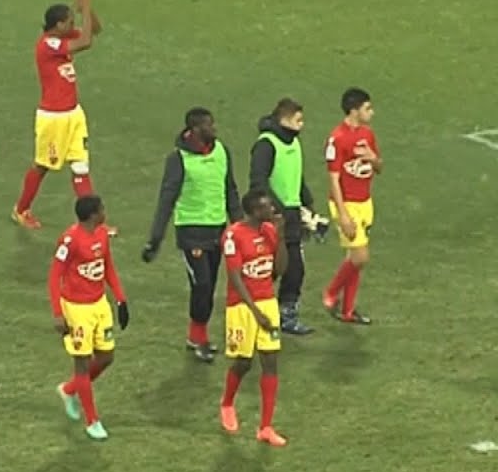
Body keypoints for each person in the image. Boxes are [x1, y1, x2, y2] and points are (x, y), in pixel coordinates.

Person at [143, 107, 241, 362]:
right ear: (194, 130)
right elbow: (167, 199)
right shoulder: (178, 160)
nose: (215, 128)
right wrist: (155, 239)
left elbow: (230, 190)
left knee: (208, 287)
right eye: (209, 125)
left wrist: (241, 227)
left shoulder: (222, 151)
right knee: (202, 284)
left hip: (217, 229)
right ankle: (198, 338)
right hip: (192, 233)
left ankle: (197, 336)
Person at [11, 0, 105, 231]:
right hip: (53, 117)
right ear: (58, 25)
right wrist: (83, 8)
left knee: (81, 165)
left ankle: (92, 221)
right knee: (42, 166)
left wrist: (87, 7)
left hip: (74, 114)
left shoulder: (62, 36)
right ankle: (21, 210)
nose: (73, 25)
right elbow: (84, 42)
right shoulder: (47, 45)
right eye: (69, 22)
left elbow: (94, 32)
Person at [50, 195, 128, 440]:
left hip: (99, 305)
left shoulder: (102, 235)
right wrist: (58, 313)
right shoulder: (70, 240)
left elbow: (108, 267)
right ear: (93, 214)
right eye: (102, 209)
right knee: (82, 363)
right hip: (76, 309)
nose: (105, 212)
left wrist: (120, 298)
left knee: (106, 357)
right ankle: (92, 420)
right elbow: (54, 277)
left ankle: (69, 390)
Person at [249, 97, 325, 335]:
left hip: (290, 215)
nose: (302, 125)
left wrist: (308, 202)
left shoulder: (293, 143)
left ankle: (285, 314)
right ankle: (251, 309)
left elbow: (296, 176)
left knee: (294, 268)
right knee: (267, 268)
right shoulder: (266, 145)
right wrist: (277, 210)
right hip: (271, 216)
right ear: (284, 119)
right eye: (298, 120)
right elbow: (258, 182)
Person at [219, 190, 288, 447]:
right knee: (243, 362)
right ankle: (227, 403)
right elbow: (235, 278)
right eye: (266, 207)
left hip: (267, 301)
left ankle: (266, 428)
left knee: (270, 363)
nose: (271, 210)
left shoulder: (269, 231)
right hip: (242, 306)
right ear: (253, 211)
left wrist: (280, 237)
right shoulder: (232, 235)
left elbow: (279, 270)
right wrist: (256, 312)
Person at [322, 87, 383, 324]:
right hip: (346, 204)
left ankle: (347, 311)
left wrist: (372, 158)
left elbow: (380, 168)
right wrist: (344, 215)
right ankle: (330, 292)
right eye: (368, 108)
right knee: (360, 257)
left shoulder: (368, 135)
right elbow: (334, 180)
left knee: (354, 256)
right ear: (354, 110)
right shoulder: (336, 139)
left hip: (365, 202)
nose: (372, 112)